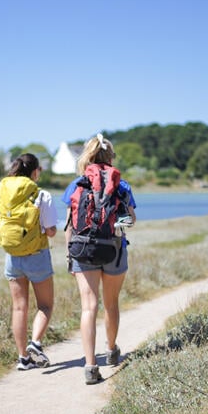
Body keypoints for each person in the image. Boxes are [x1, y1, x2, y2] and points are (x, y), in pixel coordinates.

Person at [63, 134, 136, 384]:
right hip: (114, 249)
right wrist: (115, 225)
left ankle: (90, 366)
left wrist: (70, 256)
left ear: (88, 156)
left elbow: (70, 225)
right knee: (111, 304)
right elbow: (131, 221)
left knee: (88, 307)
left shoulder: (77, 184)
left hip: (82, 250)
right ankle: (112, 350)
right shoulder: (122, 185)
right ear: (110, 157)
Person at [0, 153, 57, 371]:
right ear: (34, 171)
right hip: (37, 256)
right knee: (46, 305)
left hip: (12, 256)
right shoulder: (42, 195)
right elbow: (50, 231)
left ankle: (23, 358)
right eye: (39, 170)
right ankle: (36, 343)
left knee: (19, 308)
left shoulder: (3, 192)